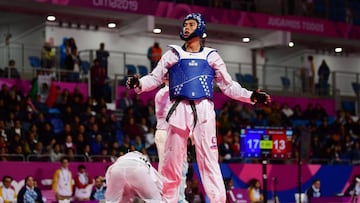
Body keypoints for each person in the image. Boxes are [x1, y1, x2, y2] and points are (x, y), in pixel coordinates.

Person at [127, 13, 271, 202]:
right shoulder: (172, 54)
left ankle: (218, 200)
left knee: (210, 162)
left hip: (203, 112)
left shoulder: (211, 56)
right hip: (178, 110)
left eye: (191, 24)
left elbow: (228, 85)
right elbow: (154, 77)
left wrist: (250, 96)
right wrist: (139, 83)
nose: (186, 27)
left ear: (201, 29)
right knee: (171, 163)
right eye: (185, 24)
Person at [154, 78, 188, 203]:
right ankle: (165, 199)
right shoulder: (164, 93)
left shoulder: (175, 93)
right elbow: (171, 115)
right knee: (166, 169)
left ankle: (180, 198)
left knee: (182, 166)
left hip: (176, 133)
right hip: (165, 132)